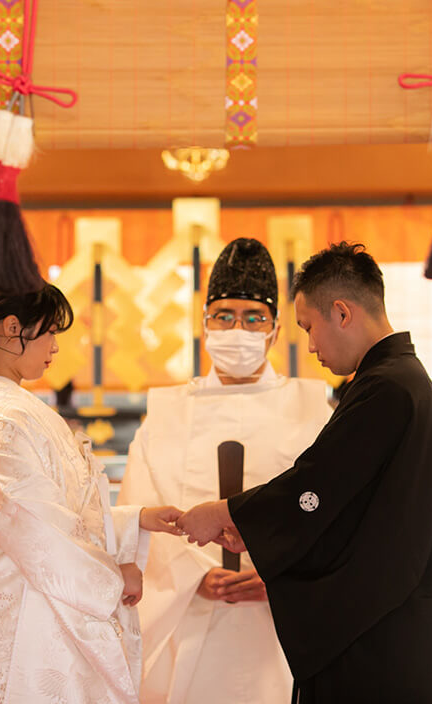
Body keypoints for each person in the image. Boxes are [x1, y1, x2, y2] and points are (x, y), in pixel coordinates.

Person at [177, 242, 432, 703]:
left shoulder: (387, 388)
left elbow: (316, 486)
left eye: (310, 327)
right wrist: (252, 530)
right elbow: (350, 508)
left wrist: (228, 513)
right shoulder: (398, 381)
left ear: (342, 313)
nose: (311, 345)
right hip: (404, 630)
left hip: (388, 645)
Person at [0, 284, 184, 704]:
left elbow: (57, 515)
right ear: (12, 328)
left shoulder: (15, 412)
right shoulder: (2, 419)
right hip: (37, 619)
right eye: (50, 332)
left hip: (49, 607)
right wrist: (113, 580)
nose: (56, 347)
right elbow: (37, 532)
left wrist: (135, 519)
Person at [117, 237, 332, 704]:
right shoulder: (169, 411)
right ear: (205, 326)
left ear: (275, 330)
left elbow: (329, 508)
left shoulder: (311, 407)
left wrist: (279, 575)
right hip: (188, 614)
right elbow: (137, 511)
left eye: (254, 318)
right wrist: (195, 574)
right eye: (225, 316)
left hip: (279, 620)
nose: (239, 329)